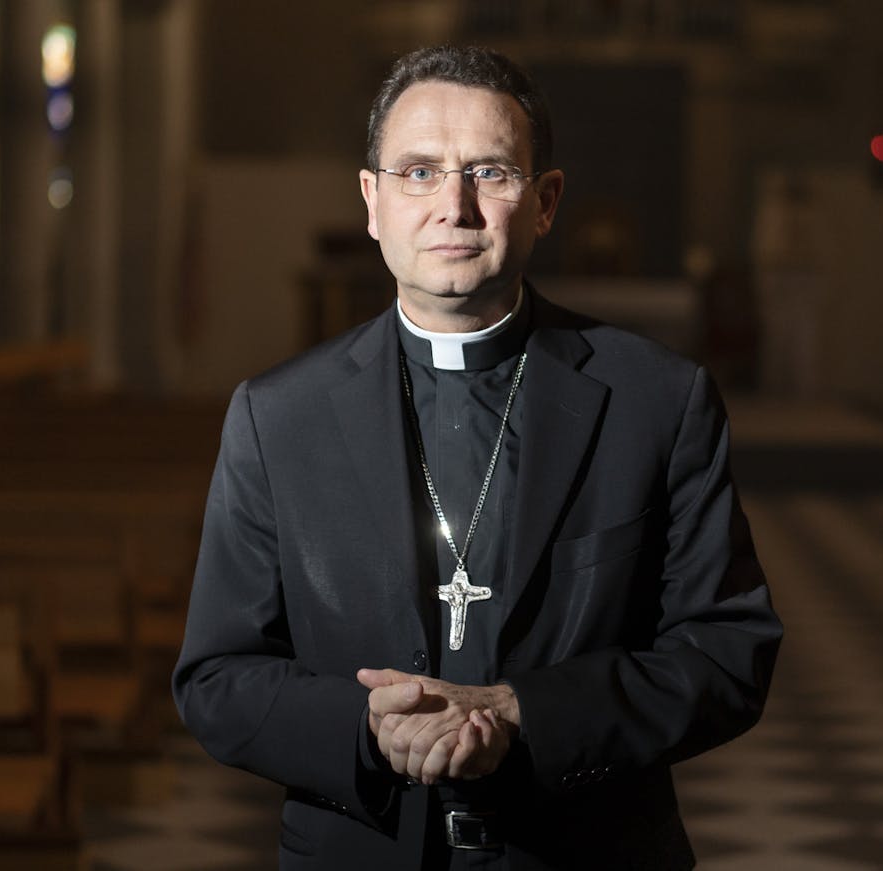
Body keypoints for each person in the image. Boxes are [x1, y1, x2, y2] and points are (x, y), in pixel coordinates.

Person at [173, 45, 781, 870]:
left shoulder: (657, 403)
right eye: (418, 173)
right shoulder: (277, 417)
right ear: (372, 201)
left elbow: (727, 654)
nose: (452, 206)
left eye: (489, 172)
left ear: (545, 202)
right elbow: (216, 678)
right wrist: (368, 727)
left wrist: (525, 712)